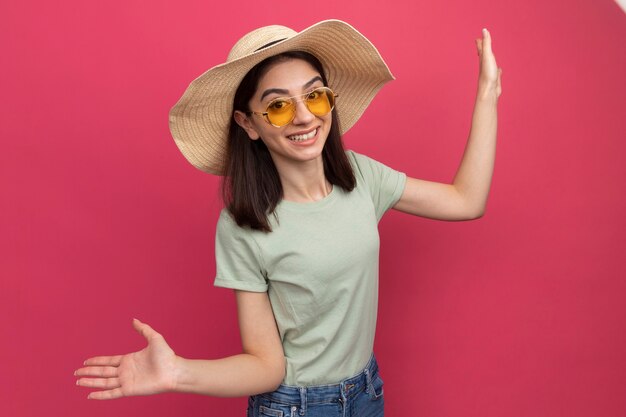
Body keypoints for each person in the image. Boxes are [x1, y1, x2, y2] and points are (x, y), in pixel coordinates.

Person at [74, 19, 502, 416]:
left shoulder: (361, 176)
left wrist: (486, 94)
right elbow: (267, 366)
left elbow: (466, 200)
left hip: (367, 391)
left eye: (314, 95)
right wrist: (178, 372)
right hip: (297, 406)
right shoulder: (245, 225)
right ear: (249, 123)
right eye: (278, 106)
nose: (304, 116)